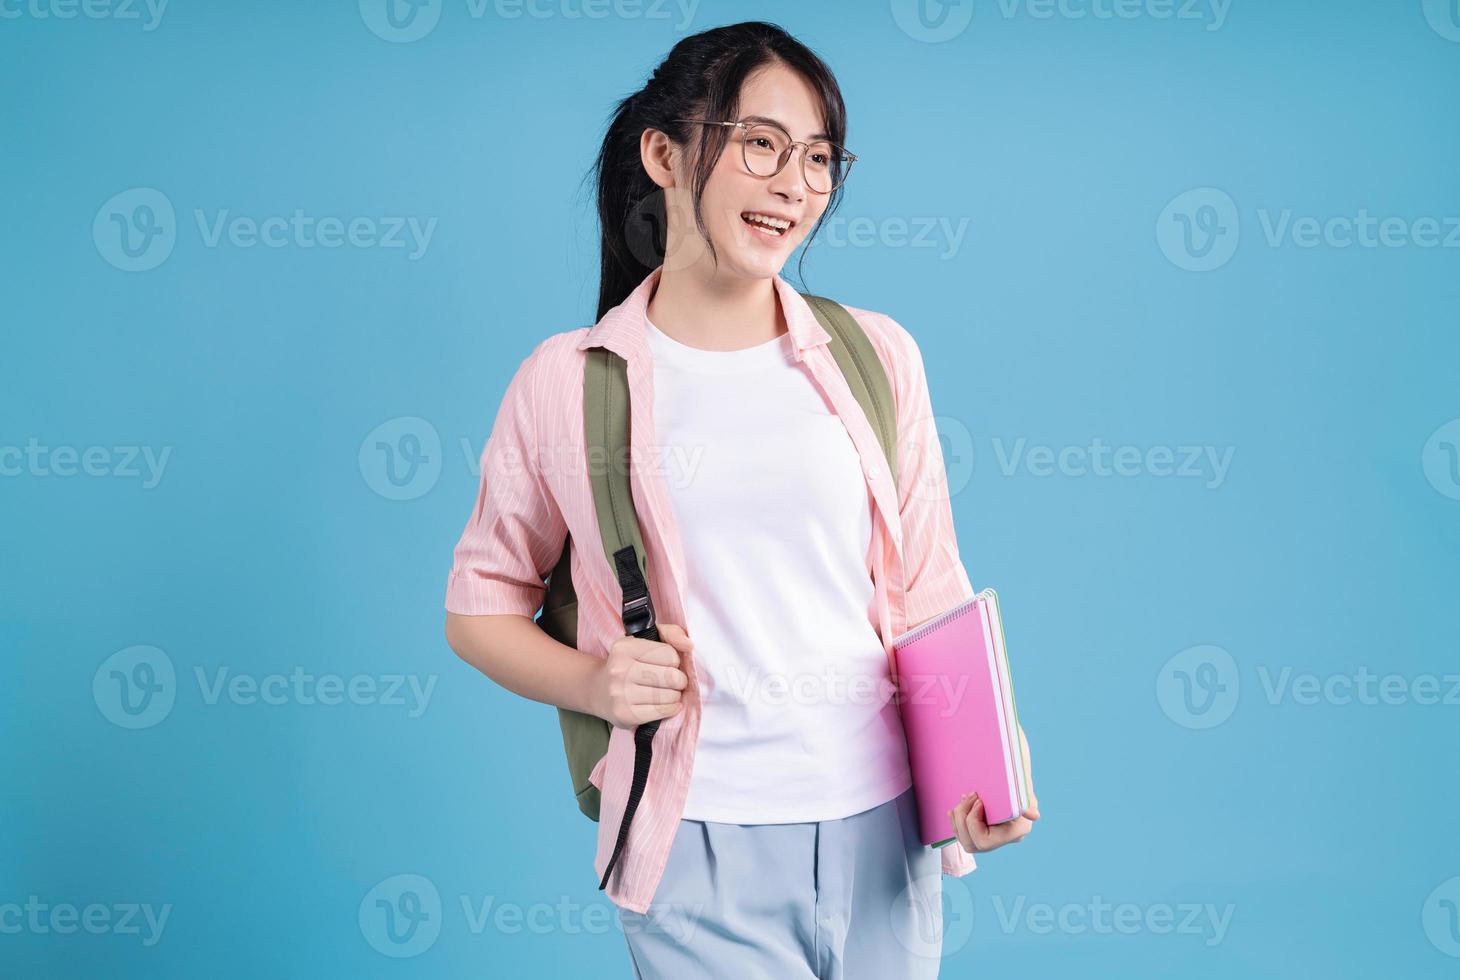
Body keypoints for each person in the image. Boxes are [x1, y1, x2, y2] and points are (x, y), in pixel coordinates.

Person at [443, 21, 1039, 979]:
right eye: (761, 143)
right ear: (665, 154)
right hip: (695, 840)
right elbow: (479, 608)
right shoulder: (570, 381)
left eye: (817, 157)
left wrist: (981, 760)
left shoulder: (877, 354)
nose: (795, 184)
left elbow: (930, 587)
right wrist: (595, 685)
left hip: (886, 835)